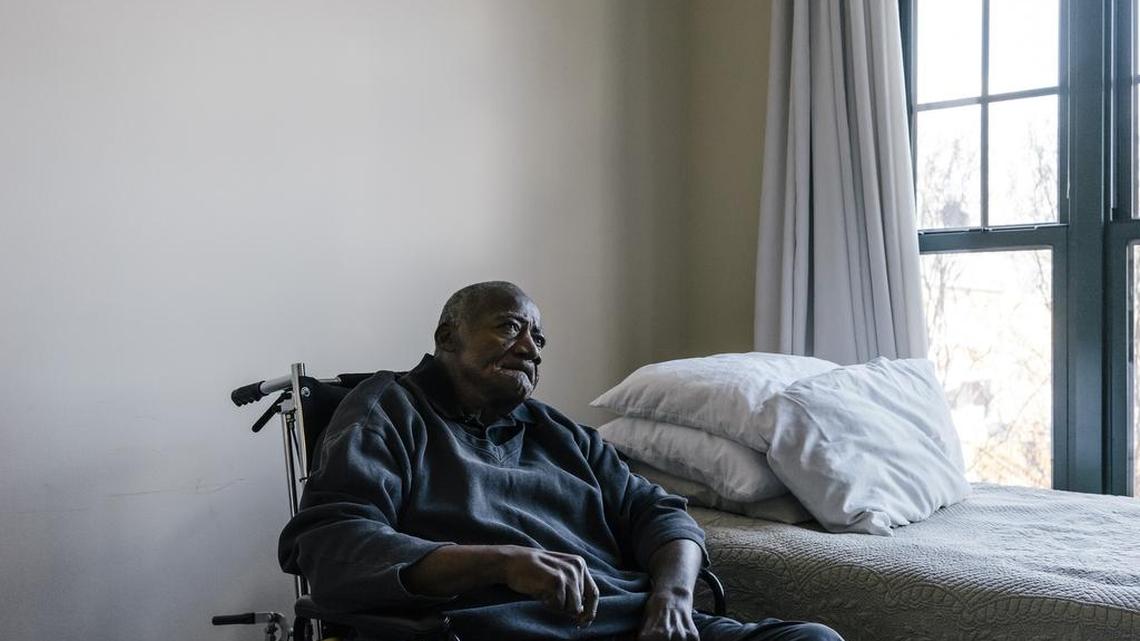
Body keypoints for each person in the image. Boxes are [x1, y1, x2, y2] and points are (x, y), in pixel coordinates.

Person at [279, 281, 843, 641]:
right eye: (509, 326)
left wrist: (671, 601)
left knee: (814, 639)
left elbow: (663, 515)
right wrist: (499, 563)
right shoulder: (388, 411)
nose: (530, 348)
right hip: (494, 628)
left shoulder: (562, 434)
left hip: (636, 624)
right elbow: (332, 545)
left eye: (539, 339)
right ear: (447, 334)